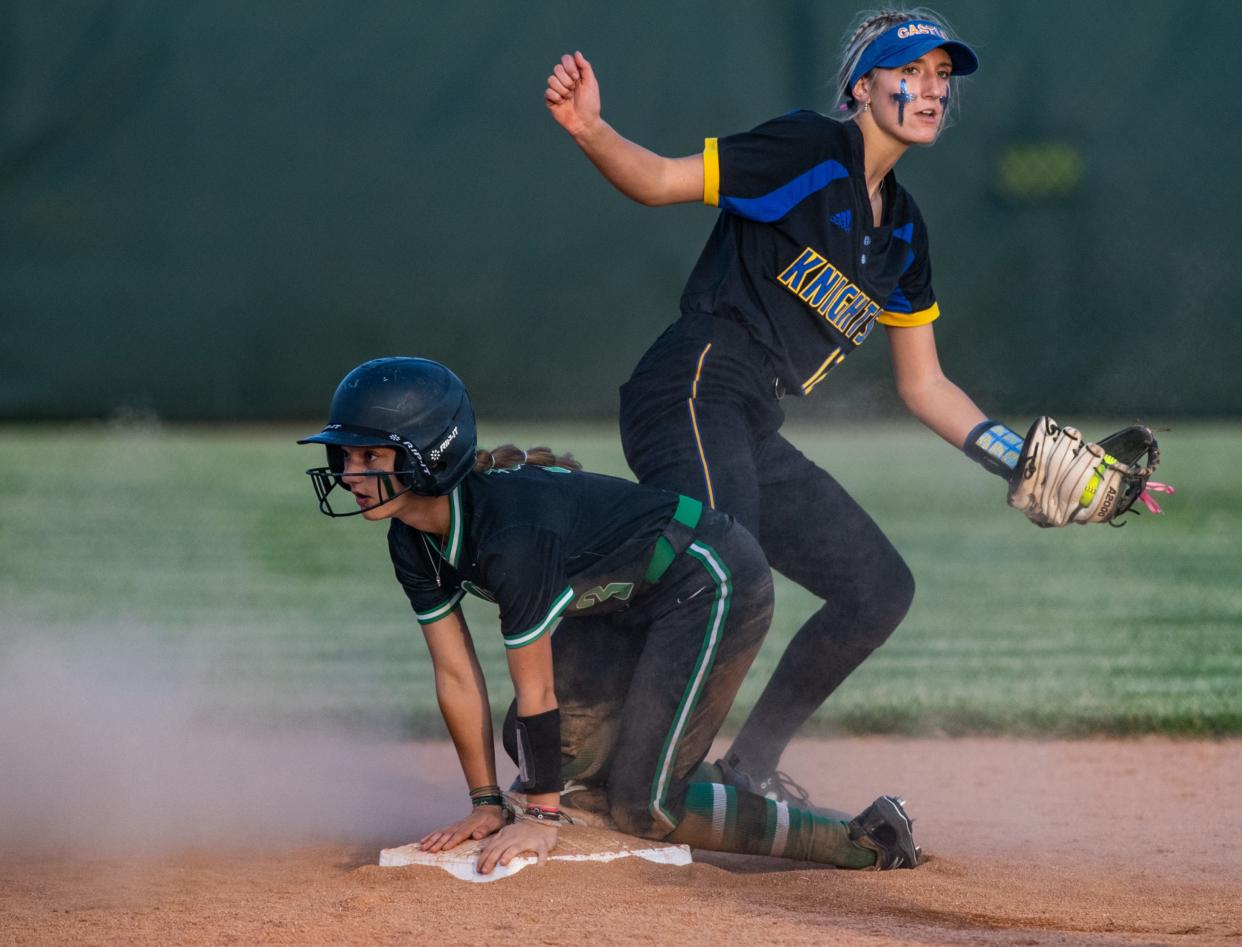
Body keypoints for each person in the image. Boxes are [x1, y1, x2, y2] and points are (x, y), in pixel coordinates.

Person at [544, 10, 1025, 799]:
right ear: (862, 86)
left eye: (943, 76)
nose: (932, 88)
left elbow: (925, 385)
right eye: (911, 70)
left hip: (752, 416)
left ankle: (750, 765)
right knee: (725, 569)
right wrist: (591, 130)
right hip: (692, 383)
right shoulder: (810, 150)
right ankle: (619, 768)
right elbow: (661, 179)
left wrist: (1019, 457)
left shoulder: (903, 232)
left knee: (878, 589)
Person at [298, 356, 921, 873]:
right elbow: (456, 676)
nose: (351, 474)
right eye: (346, 458)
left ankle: (862, 841)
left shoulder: (512, 534)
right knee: (551, 750)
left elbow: (533, 681)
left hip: (709, 576)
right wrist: (486, 802)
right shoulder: (411, 534)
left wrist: (539, 816)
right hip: (625, 602)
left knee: (646, 806)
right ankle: (709, 782)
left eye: (372, 458)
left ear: (433, 456)